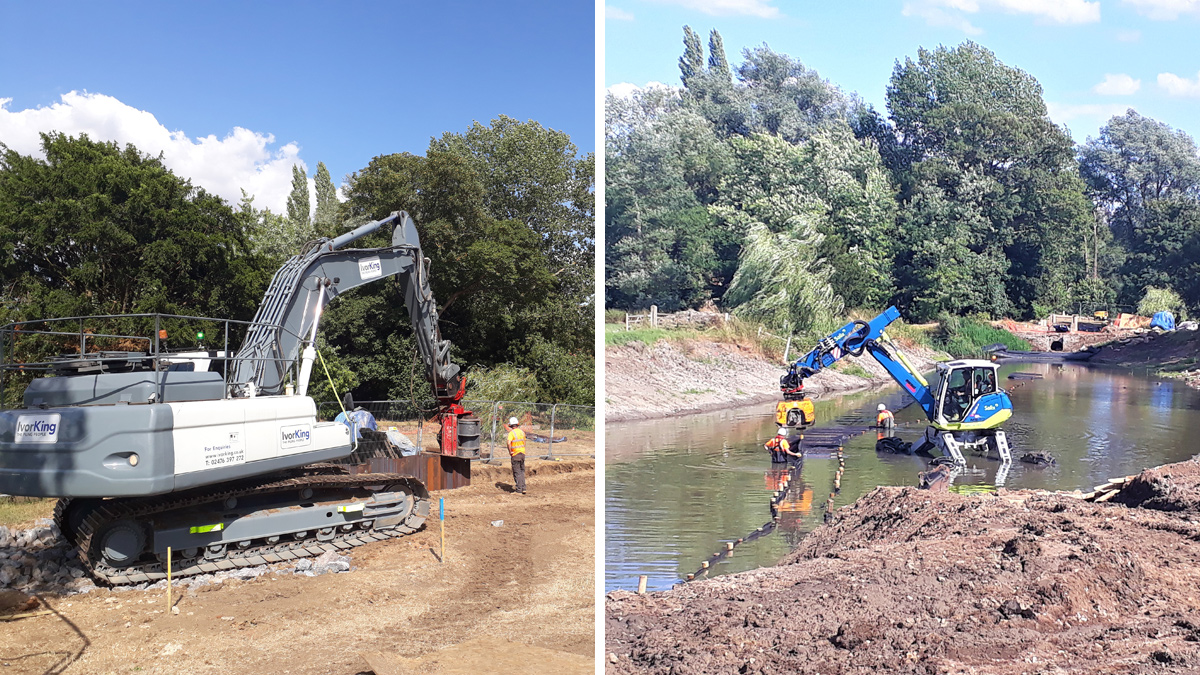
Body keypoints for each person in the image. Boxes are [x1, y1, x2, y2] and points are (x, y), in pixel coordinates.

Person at [505, 416, 527, 494]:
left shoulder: (511, 433)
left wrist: (510, 451)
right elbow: (524, 443)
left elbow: (508, 442)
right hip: (522, 453)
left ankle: (518, 490)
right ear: (517, 424)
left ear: (511, 425)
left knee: (517, 472)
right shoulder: (522, 432)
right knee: (521, 471)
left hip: (515, 454)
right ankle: (523, 488)